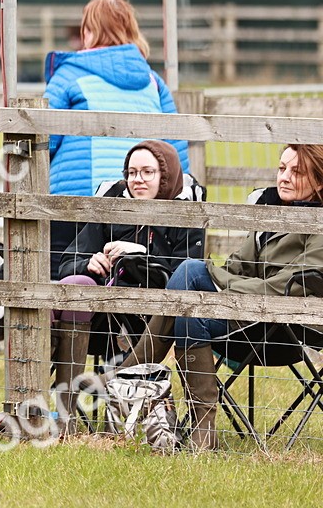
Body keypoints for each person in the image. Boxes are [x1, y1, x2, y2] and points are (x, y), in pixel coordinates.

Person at [98, 143, 323, 451]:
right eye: (282, 168)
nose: (284, 177)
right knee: (191, 311)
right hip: (246, 319)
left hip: (289, 329)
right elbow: (236, 265)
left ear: (319, 181)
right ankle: (204, 431)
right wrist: (227, 281)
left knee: (191, 271)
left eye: (297, 172)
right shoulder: (269, 211)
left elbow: (289, 287)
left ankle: (124, 379)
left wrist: (224, 284)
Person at [50, 139, 206, 434]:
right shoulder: (111, 207)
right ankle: (65, 417)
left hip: (156, 325)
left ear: (165, 176)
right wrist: (88, 263)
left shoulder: (185, 215)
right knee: (74, 285)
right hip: (100, 324)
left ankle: (122, 396)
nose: (138, 180)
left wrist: (138, 255)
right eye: (132, 172)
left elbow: (185, 276)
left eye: (148, 172)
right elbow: (67, 263)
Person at [44, 0, 190, 275]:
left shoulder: (68, 76)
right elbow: (175, 151)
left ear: (88, 32)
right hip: (138, 206)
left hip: (74, 202)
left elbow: (44, 141)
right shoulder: (153, 81)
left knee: (61, 278)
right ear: (129, 31)